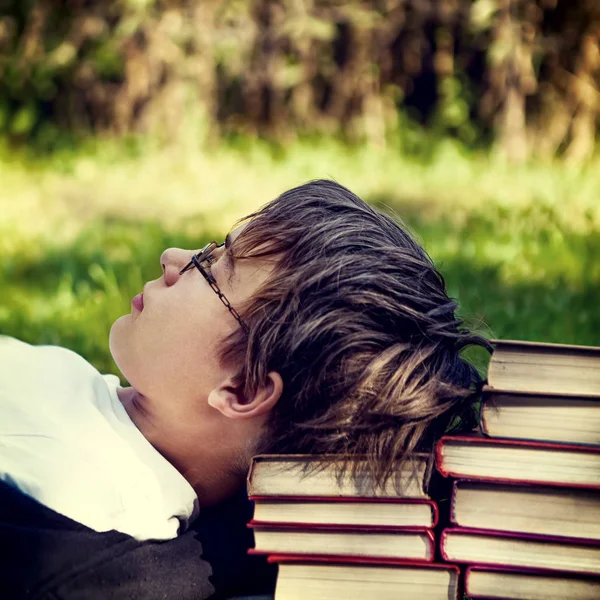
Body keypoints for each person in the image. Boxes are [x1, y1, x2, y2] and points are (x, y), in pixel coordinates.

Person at [0, 179, 490, 598]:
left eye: (214, 270)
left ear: (243, 389)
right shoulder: (96, 428)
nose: (175, 258)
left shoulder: (77, 500)